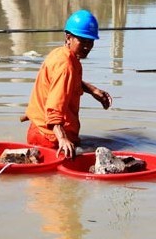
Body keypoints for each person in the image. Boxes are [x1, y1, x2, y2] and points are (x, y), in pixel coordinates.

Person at [24, 9, 112, 158]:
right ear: (68, 37)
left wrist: (93, 90)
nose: (87, 46)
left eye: (90, 41)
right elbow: (54, 108)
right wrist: (62, 139)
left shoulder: (61, 54)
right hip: (50, 139)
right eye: (82, 41)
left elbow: (68, 82)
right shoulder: (65, 66)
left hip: (38, 130)